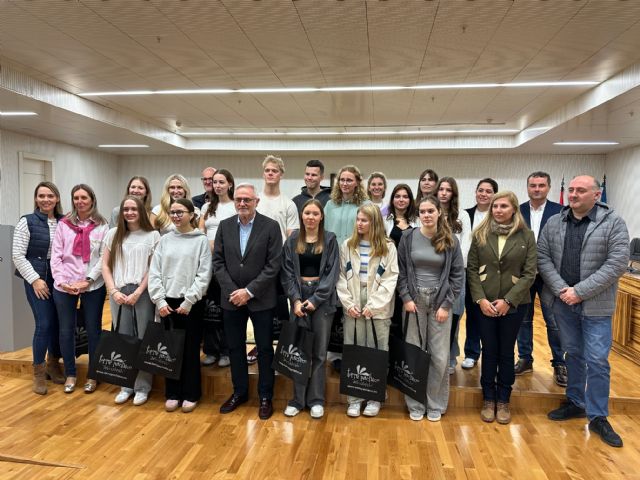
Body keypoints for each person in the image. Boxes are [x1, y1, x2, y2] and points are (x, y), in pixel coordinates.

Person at [539, 175, 629, 448]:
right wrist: (563, 290)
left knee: (598, 360)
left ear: (596, 194)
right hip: (564, 303)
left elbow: (617, 264)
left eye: (581, 190)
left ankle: (598, 415)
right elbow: (543, 257)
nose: (574, 194)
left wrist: (580, 292)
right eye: (573, 190)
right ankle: (576, 402)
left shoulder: (613, 223)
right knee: (574, 355)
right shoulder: (555, 222)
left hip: (596, 306)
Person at [213, 183, 283, 420]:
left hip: (261, 299)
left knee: (264, 349)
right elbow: (218, 263)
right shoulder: (224, 227)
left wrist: (249, 291)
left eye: (247, 200)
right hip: (231, 299)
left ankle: (265, 396)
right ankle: (239, 392)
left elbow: (274, 265)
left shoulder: (271, 227)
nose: (242, 203)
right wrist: (234, 291)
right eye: (239, 199)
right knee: (234, 347)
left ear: (256, 202)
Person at [467, 191, 537, 424]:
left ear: (514, 210)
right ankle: (488, 398)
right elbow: (472, 270)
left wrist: (508, 301)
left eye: (503, 206)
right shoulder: (480, 234)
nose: (498, 210)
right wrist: (481, 300)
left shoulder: (526, 236)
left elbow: (530, 273)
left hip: (514, 305)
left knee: (506, 352)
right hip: (485, 303)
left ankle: (504, 399)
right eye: (495, 206)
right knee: (489, 350)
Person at [397, 195, 464, 421]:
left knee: (439, 356)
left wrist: (446, 304)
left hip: (439, 304)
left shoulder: (451, 240)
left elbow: (457, 276)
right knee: (414, 353)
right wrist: (406, 298)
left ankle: (435, 404)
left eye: (430, 211)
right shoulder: (408, 238)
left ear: (439, 213)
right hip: (413, 303)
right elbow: (402, 272)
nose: (426, 215)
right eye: (422, 212)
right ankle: (415, 403)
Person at [148, 198, 212, 413]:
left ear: (192, 214)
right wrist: (159, 300)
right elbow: (154, 272)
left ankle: (191, 393)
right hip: (167, 302)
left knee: (190, 350)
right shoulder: (165, 240)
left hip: (191, 303)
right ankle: (172, 393)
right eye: (173, 212)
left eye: (180, 212)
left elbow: (204, 274)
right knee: (170, 350)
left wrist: (189, 300)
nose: (175, 216)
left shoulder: (200, 240)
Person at [336, 204, 398, 418]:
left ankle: (375, 397)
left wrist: (374, 305)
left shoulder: (389, 247)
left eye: (365, 220)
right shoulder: (347, 245)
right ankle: (354, 398)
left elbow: (390, 279)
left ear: (375, 223)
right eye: (358, 219)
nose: (359, 223)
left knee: (377, 350)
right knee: (353, 349)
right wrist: (348, 303)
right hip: (353, 301)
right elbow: (341, 277)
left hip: (377, 306)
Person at [281, 200, 340, 419]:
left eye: (315, 213)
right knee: (299, 351)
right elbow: (286, 273)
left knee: (318, 352)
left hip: (322, 301)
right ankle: (297, 400)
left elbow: (332, 274)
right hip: (298, 297)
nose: (311, 217)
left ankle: (316, 400)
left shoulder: (331, 239)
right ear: (301, 215)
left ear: (321, 217)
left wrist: (315, 299)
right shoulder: (293, 239)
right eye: (307, 213)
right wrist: (296, 300)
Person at [51, 184, 109, 394]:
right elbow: (56, 255)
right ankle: (71, 373)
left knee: (93, 330)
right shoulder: (64, 224)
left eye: (84, 197)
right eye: (76, 197)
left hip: (92, 285)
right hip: (64, 285)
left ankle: (93, 376)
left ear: (92, 200)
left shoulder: (103, 226)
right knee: (66, 331)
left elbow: (104, 256)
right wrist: (63, 281)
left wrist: (88, 280)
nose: (80, 201)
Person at [102, 195, 160, 406]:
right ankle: (125, 385)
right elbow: (105, 266)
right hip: (118, 292)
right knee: (123, 339)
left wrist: (138, 292)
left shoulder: (153, 235)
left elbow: (153, 268)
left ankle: (143, 387)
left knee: (143, 339)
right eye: (126, 209)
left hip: (142, 293)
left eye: (133, 209)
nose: (129, 212)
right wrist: (113, 291)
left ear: (141, 211)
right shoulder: (113, 234)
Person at [12, 181, 65, 394]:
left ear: (57, 198)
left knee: (59, 322)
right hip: (37, 278)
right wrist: (34, 279)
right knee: (44, 323)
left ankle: (53, 363)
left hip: (60, 278)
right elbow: (17, 255)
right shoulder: (27, 222)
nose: (46, 200)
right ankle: (39, 372)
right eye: (41, 196)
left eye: (50, 196)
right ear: (36, 199)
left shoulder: (64, 221)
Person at [515, 172, 566, 386]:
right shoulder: (517, 211)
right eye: (533, 185)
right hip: (522, 275)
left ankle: (559, 363)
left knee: (553, 322)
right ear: (527, 187)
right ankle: (525, 358)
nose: (537, 189)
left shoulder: (561, 211)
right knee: (523, 320)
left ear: (549, 187)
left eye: (541, 185)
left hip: (550, 275)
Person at [324, 165, 370, 371]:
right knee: (332, 306)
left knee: (351, 306)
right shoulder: (330, 204)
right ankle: (333, 353)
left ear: (357, 182)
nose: (344, 183)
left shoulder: (366, 205)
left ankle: (354, 355)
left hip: (356, 262)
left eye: (349, 180)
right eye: (342, 179)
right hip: (331, 259)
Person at [198, 169, 236, 368]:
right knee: (209, 309)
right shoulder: (206, 207)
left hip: (227, 263)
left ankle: (226, 351)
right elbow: (201, 232)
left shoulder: (235, 206)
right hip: (207, 263)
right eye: (215, 182)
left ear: (230, 184)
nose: (218, 185)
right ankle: (211, 350)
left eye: (222, 181)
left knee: (226, 309)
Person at [461, 177, 498, 370]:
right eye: (480, 190)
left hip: (491, 274)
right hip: (469, 271)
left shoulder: (499, 216)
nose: (483, 194)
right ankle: (471, 353)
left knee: (489, 315)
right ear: (475, 192)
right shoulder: (465, 215)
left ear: (494, 195)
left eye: (488, 191)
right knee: (472, 313)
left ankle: (491, 354)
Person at [436, 177, 472, 374]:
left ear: (453, 193)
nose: (443, 193)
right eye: (440, 189)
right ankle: (433, 357)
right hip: (433, 274)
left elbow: (465, 245)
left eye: (448, 190)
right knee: (435, 317)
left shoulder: (463, 216)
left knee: (453, 316)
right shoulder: (429, 211)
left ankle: (450, 357)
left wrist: (453, 267)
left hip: (456, 274)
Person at [383, 183, 419, 338]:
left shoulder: (417, 221)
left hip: (410, 273)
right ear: (392, 200)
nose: (401, 200)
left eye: (405, 196)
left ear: (410, 200)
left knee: (406, 313)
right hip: (389, 272)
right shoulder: (385, 219)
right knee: (390, 314)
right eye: (397, 196)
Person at [256, 155, 299, 242]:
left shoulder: (289, 204)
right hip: (256, 252)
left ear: (281, 174)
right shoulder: (254, 201)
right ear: (263, 174)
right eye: (267, 170)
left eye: (274, 171)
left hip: (280, 253)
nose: (270, 173)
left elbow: (292, 238)